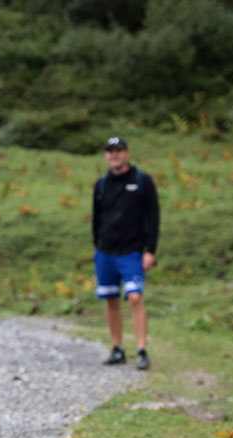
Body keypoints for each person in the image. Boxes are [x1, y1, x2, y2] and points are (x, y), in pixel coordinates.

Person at [91, 136, 159, 370]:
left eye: (118, 151)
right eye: (110, 152)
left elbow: (153, 216)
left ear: (127, 153)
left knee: (135, 297)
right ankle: (117, 347)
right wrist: (97, 247)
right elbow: (96, 218)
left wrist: (150, 251)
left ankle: (141, 349)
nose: (114, 155)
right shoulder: (101, 184)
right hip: (106, 251)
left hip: (132, 252)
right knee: (111, 299)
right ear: (106, 156)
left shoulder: (142, 181)